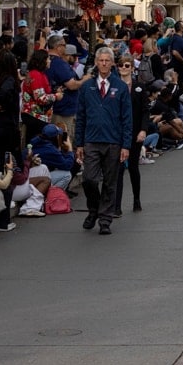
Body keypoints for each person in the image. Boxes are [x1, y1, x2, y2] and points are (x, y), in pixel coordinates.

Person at [74, 47, 133, 235]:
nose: (105, 63)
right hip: (91, 140)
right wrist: (79, 144)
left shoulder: (121, 87)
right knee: (89, 179)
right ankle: (94, 209)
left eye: (108, 60)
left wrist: (126, 145)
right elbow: (80, 116)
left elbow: (127, 118)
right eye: (101, 60)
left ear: (112, 63)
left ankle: (105, 219)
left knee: (110, 181)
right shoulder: (86, 87)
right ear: (96, 63)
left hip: (113, 141)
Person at [114, 55, 150, 216]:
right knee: (118, 169)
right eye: (121, 65)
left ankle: (136, 199)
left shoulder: (139, 87)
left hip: (135, 132)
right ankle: (116, 205)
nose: (123, 68)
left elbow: (145, 111)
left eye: (127, 65)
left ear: (132, 68)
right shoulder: (113, 87)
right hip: (118, 133)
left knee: (133, 167)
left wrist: (143, 130)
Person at [45, 34, 91, 140]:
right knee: (63, 141)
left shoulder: (46, 60)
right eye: (64, 45)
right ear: (58, 47)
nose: (65, 48)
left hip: (54, 108)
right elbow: (72, 85)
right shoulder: (59, 63)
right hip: (62, 111)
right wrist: (86, 78)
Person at [0, 51, 22, 231]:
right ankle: (4, 219)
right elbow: (5, 96)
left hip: (4, 128)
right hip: (6, 131)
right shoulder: (10, 82)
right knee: (6, 170)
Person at [21, 49, 61, 142]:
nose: (50, 61)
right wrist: (56, 96)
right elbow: (40, 98)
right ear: (42, 60)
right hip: (35, 116)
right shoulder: (36, 75)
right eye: (48, 59)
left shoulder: (38, 74)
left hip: (36, 116)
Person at [30, 123, 76, 193]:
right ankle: (51, 197)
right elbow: (67, 165)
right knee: (67, 174)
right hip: (36, 180)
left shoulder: (36, 141)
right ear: (55, 137)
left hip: (31, 177)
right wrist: (70, 149)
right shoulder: (50, 149)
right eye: (58, 135)